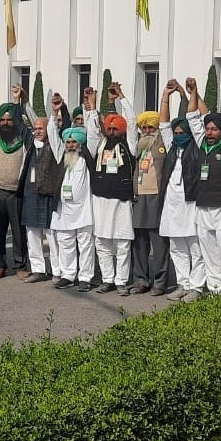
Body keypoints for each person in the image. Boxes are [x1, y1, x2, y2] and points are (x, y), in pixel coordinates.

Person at [183, 77, 221, 295]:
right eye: (207, 129)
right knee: (208, 251)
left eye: (214, 129)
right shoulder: (201, 144)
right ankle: (216, 288)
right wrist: (193, 93)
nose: (209, 132)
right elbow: (192, 119)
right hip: (203, 207)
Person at [85, 83, 138, 296]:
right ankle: (108, 279)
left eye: (116, 128)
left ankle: (122, 280)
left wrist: (121, 98)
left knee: (123, 242)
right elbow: (92, 130)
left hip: (122, 201)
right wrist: (92, 106)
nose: (112, 131)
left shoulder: (129, 145)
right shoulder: (99, 145)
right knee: (102, 241)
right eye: (110, 128)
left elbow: (133, 123)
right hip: (100, 200)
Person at [157, 80, 205, 303]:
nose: (177, 135)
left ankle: (196, 287)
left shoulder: (196, 146)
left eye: (180, 132)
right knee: (177, 248)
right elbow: (163, 123)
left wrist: (194, 93)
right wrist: (166, 95)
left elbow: (201, 119)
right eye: (176, 132)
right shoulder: (172, 148)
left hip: (191, 205)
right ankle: (182, 283)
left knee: (196, 248)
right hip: (172, 207)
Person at [47, 91, 96, 291]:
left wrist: (91, 109)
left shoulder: (87, 154)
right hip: (64, 209)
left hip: (84, 209)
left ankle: (85, 277)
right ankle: (68, 274)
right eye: (68, 142)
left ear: (80, 142)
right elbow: (52, 135)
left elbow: (93, 133)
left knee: (85, 244)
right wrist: (54, 113)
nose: (70, 145)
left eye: (74, 141)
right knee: (65, 242)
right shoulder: (62, 155)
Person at [0, 84, 35, 281]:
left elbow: (27, 122)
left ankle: (20, 266)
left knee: (18, 232)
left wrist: (19, 101)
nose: (7, 123)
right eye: (3, 120)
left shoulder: (22, 137)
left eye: (9, 119)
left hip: (16, 192)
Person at [131, 107, 176, 296]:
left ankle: (160, 282)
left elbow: (166, 128)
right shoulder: (138, 146)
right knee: (139, 242)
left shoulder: (164, 142)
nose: (147, 131)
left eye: (151, 127)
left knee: (159, 243)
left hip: (157, 197)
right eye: (144, 128)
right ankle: (141, 279)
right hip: (139, 197)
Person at [19, 90, 60, 284]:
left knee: (52, 235)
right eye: (35, 129)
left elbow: (39, 120)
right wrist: (23, 101)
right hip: (30, 193)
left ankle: (57, 270)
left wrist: (28, 101)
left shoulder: (54, 143)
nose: (37, 131)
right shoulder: (31, 142)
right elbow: (28, 121)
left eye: (41, 128)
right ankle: (38, 269)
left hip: (47, 193)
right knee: (32, 233)